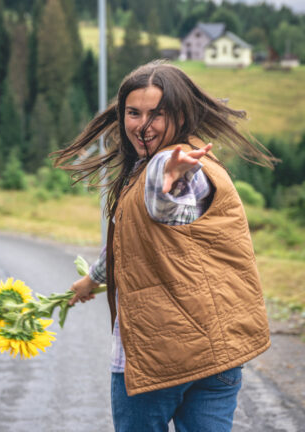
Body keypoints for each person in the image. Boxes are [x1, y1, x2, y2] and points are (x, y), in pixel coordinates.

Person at [53, 62, 275, 432]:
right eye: (134, 113)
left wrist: (165, 181)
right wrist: (91, 280)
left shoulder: (177, 167)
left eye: (158, 114)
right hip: (216, 356)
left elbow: (169, 211)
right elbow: (137, 241)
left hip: (156, 359)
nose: (143, 125)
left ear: (182, 114)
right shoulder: (162, 167)